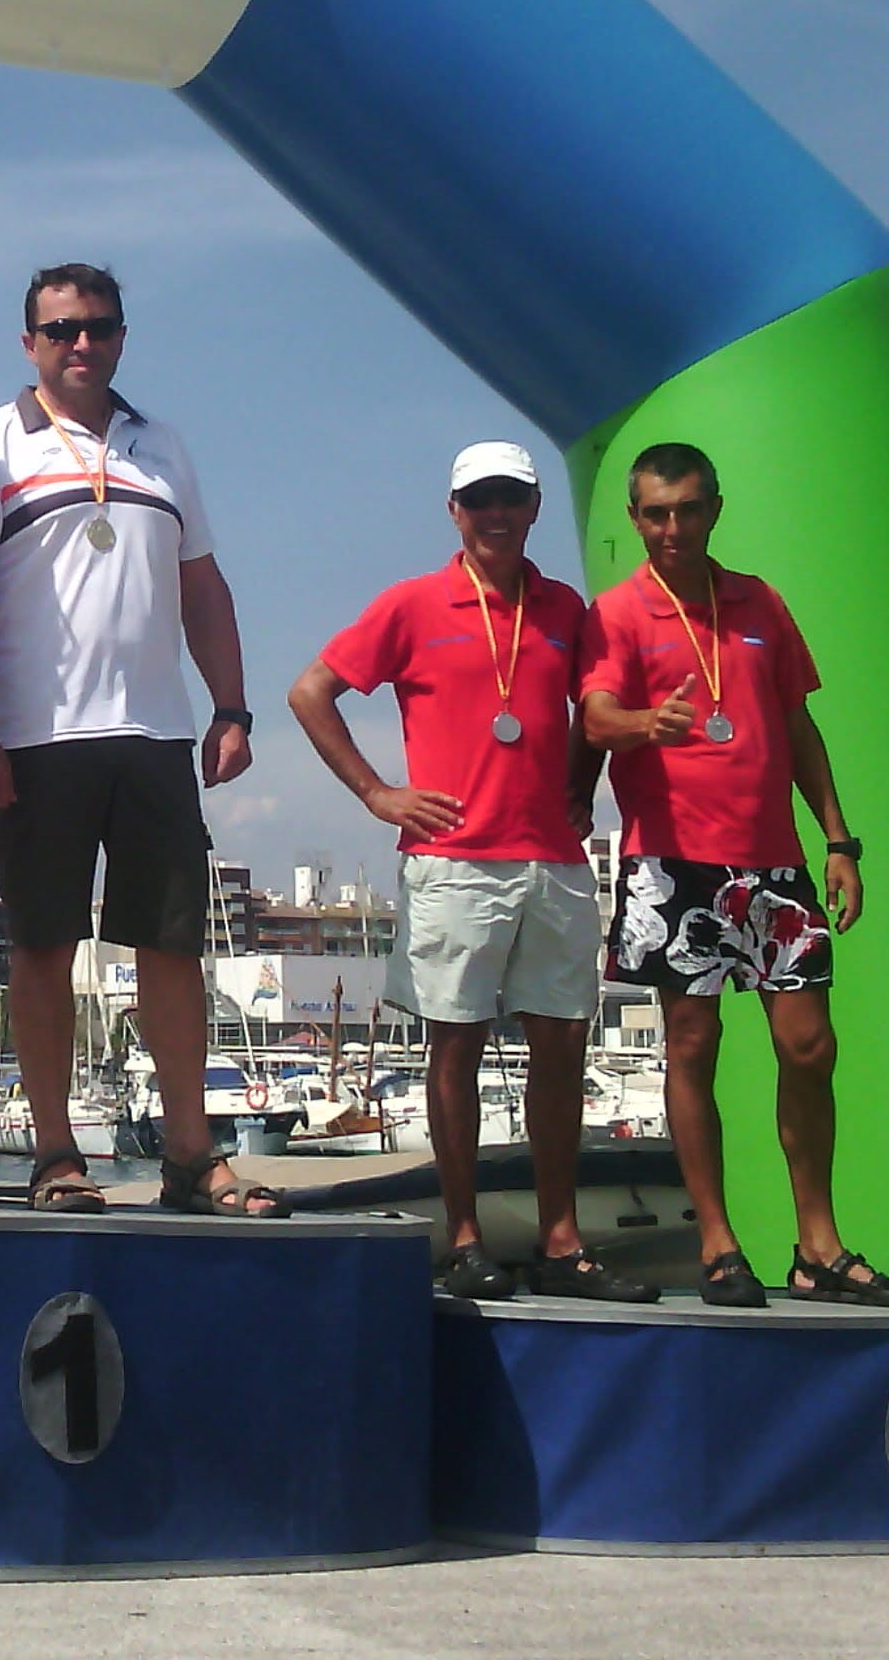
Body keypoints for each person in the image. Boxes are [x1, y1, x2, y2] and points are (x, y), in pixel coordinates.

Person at [0, 265, 277, 1216]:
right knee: (44, 947)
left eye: (97, 328)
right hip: (37, 738)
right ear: (29, 345)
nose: (79, 344)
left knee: (172, 949)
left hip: (155, 734)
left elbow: (203, 586)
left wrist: (233, 706)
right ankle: (56, 1155)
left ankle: (190, 1157)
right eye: (60, 331)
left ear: (122, 336)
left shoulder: (160, 442)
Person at [288, 443, 650, 1299]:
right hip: (454, 861)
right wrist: (378, 793)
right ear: (455, 510)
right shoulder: (414, 603)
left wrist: (581, 784)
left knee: (561, 1045)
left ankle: (563, 1242)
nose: (495, 513)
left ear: (533, 509)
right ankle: (461, 1237)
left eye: (511, 498)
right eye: (478, 499)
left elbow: (591, 713)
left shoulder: (565, 608)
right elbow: (311, 692)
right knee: (455, 1047)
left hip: (554, 861)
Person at [579, 441, 889, 1308]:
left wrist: (838, 839)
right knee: (693, 1047)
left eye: (687, 510)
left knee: (810, 1046)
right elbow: (593, 716)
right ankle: (719, 1244)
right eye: (654, 513)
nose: (671, 528)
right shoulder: (618, 612)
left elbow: (799, 726)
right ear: (634, 519)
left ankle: (818, 1248)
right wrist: (642, 722)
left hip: (773, 859)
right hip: (672, 861)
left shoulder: (760, 601)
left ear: (714, 509)